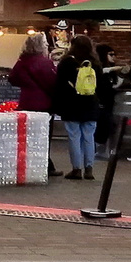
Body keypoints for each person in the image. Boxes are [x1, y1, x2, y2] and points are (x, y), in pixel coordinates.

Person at [8, 33, 61, 177]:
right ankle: (46, 166)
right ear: (39, 46)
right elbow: (52, 83)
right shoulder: (44, 62)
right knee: (43, 136)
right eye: (44, 44)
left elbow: (12, 78)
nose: (47, 46)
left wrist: (27, 84)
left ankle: (26, 164)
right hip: (43, 104)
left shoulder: (22, 61)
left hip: (26, 102)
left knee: (27, 136)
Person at [54, 35, 104, 180]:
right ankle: (89, 169)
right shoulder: (95, 63)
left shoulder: (66, 62)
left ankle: (76, 169)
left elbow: (59, 85)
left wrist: (58, 105)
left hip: (72, 104)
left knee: (74, 136)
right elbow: (100, 85)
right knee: (89, 136)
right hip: (91, 104)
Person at [93, 43, 121, 157]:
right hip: (101, 103)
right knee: (103, 125)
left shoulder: (112, 72)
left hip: (109, 103)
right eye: (111, 54)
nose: (113, 57)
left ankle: (104, 149)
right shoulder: (99, 70)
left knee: (109, 126)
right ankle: (99, 149)